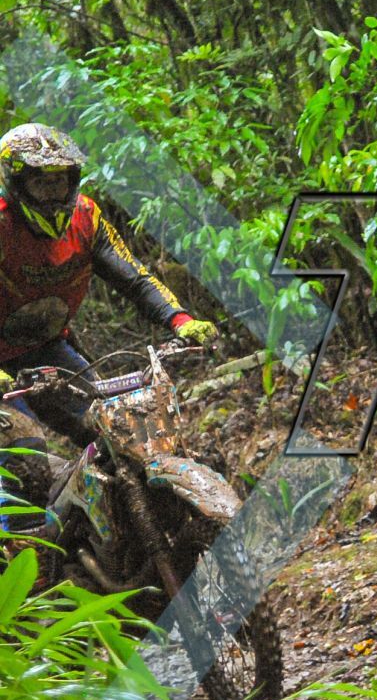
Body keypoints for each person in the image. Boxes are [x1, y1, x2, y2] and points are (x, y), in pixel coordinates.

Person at [0, 123, 216, 516]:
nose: (52, 193)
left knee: (115, 433)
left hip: (45, 349)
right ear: (16, 183)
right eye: (40, 183)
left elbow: (134, 278)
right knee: (25, 459)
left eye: (59, 181)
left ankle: (120, 528)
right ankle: (15, 548)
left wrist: (181, 321)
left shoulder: (86, 218)